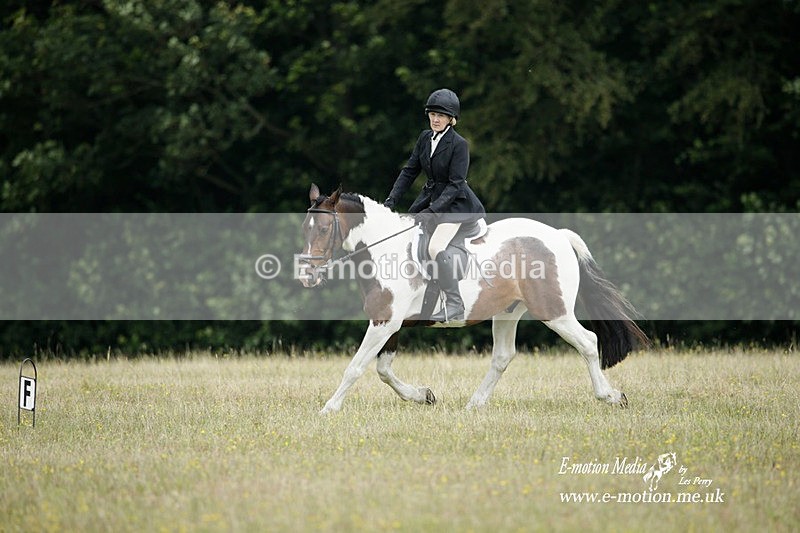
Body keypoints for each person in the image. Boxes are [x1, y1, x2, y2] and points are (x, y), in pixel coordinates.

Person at [383, 88, 486, 322]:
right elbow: (409, 171)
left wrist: (432, 211)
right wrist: (391, 201)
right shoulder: (424, 138)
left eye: (441, 115)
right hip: (431, 200)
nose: (436, 119)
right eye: (432, 114)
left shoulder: (459, 144)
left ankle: (454, 304)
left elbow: (456, 184)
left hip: (457, 206)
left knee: (435, 247)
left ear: (451, 119)